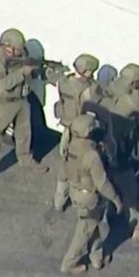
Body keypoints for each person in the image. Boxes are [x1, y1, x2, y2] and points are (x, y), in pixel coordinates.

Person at [0, 28, 49, 190]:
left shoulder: (20, 55)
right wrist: (22, 73)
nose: (19, 52)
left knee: (24, 133)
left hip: (21, 100)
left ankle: (25, 158)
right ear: (6, 45)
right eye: (15, 49)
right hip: (3, 103)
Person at [100, 63, 139, 242]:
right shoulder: (133, 98)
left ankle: (113, 214)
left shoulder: (111, 87)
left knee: (109, 183)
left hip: (105, 143)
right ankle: (132, 228)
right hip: (120, 149)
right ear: (135, 83)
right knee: (130, 189)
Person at [60, 114, 124, 275]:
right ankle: (69, 262)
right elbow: (102, 183)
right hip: (90, 197)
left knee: (96, 225)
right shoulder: (91, 155)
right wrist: (116, 200)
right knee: (85, 231)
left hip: (76, 191)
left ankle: (96, 256)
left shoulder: (70, 145)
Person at [50, 53, 104, 212]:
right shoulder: (90, 89)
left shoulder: (64, 82)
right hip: (83, 132)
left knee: (65, 165)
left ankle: (59, 202)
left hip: (67, 128)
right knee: (85, 168)